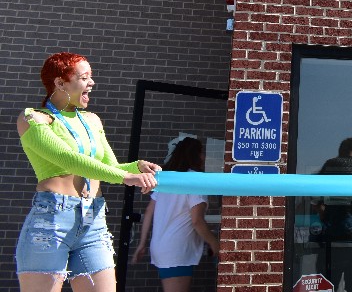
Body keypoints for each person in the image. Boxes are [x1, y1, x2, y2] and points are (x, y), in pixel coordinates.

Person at [15, 52, 160, 292]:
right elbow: (68, 160)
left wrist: (136, 167)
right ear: (60, 83)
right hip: (51, 221)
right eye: (84, 77)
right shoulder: (33, 118)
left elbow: (110, 168)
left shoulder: (92, 120)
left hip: (93, 220)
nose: (92, 83)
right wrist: (127, 176)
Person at [132, 136, 219, 292]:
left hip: (160, 247)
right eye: (202, 153)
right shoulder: (195, 180)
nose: (204, 157)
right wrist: (214, 243)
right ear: (197, 155)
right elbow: (197, 221)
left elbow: (149, 211)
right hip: (177, 250)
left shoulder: (168, 179)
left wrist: (142, 243)